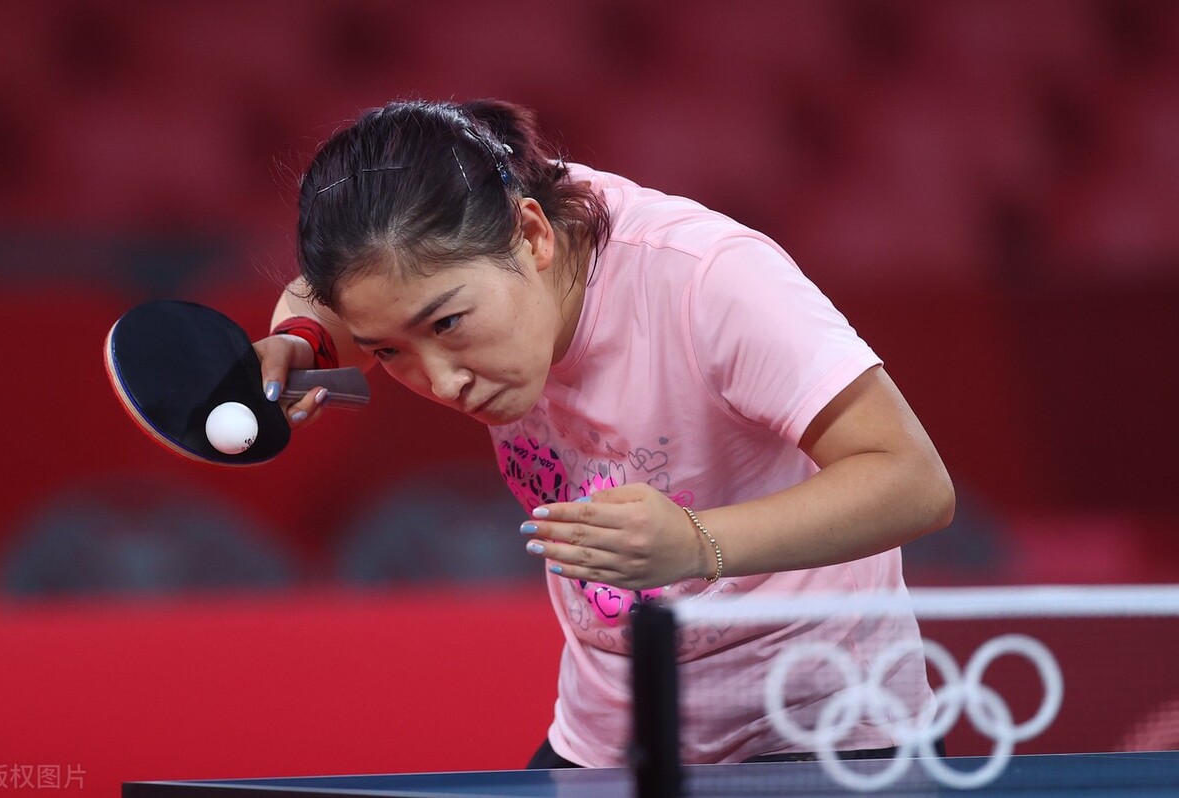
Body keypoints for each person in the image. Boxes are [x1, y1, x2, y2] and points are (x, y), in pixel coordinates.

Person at [255, 99, 955, 768]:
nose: (443, 384)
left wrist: (696, 544)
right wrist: (301, 337)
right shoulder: (447, 236)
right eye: (389, 353)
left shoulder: (708, 281)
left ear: (532, 236)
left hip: (827, 727)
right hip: (614, 737)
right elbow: (326, 297)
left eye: (448, 326)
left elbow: (912, 481)